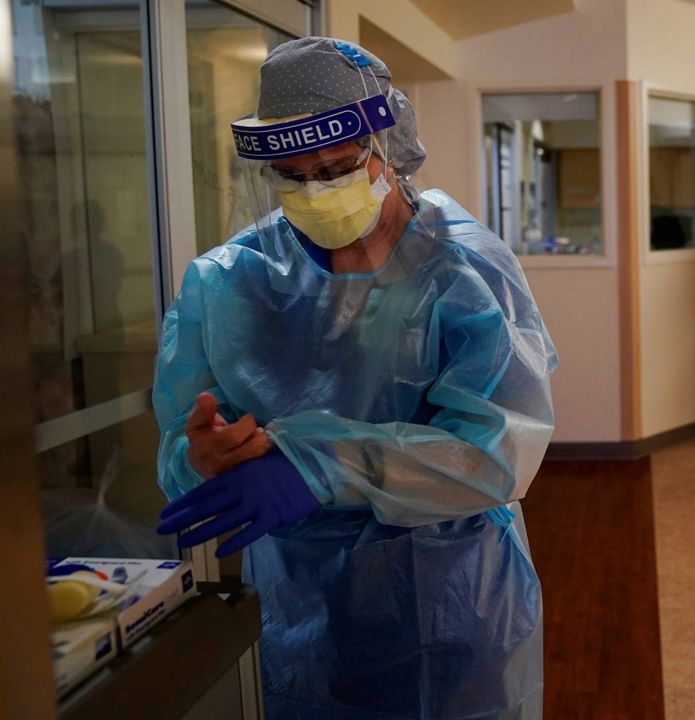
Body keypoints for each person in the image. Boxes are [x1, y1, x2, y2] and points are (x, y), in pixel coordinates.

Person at [153, 38, 556, 719]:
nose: (317, 190)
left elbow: (497, 453)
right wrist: (202, 459)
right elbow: (186, 443)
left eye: (339, 167)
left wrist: (324, 465)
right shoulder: (230, 280)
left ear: (387, 147)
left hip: (449, 597)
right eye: (293, 174)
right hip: (303, 609)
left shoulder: (461, 270)